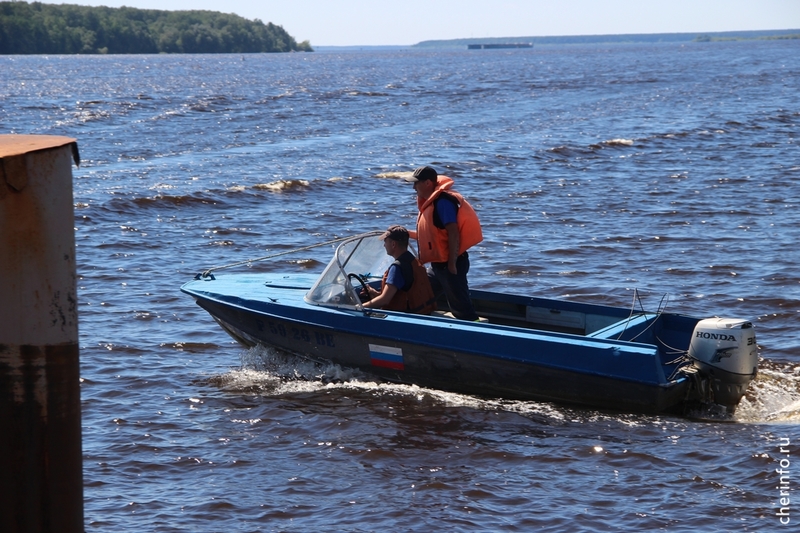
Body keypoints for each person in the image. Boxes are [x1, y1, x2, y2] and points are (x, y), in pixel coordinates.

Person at [404, 165, 483, 321]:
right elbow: (430, 237)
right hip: (437, 267)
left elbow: (453, 233)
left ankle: (477, 333)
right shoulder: (432, 203)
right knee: (420, 295)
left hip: (450, 266)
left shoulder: (443, 202)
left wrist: (452, 264)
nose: (413, 187)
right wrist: (404, 233)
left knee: (462, 309)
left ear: (427, 183)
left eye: (416, 183)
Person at [362, 225, 435, 314]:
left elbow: (385, 300)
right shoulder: (413, 261)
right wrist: (374, 293)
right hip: (422, 312)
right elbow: (399, 295)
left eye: (385, 241)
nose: (384, 245)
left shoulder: (397, 268)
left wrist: (359, 307)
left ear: (393, 244)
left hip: (406, 317)